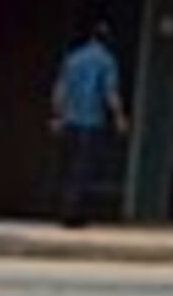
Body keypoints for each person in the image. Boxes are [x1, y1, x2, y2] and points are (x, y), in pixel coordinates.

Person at [50, 18, 128, 228]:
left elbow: (60, 89)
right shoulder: (107, 61)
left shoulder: (73, 58)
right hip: (91, 120)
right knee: (83, 168)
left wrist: (57, 116)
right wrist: (119, 116)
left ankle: (65, 209)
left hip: (70, 119)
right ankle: (75, 213)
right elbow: (110, 92)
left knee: (68, 166)